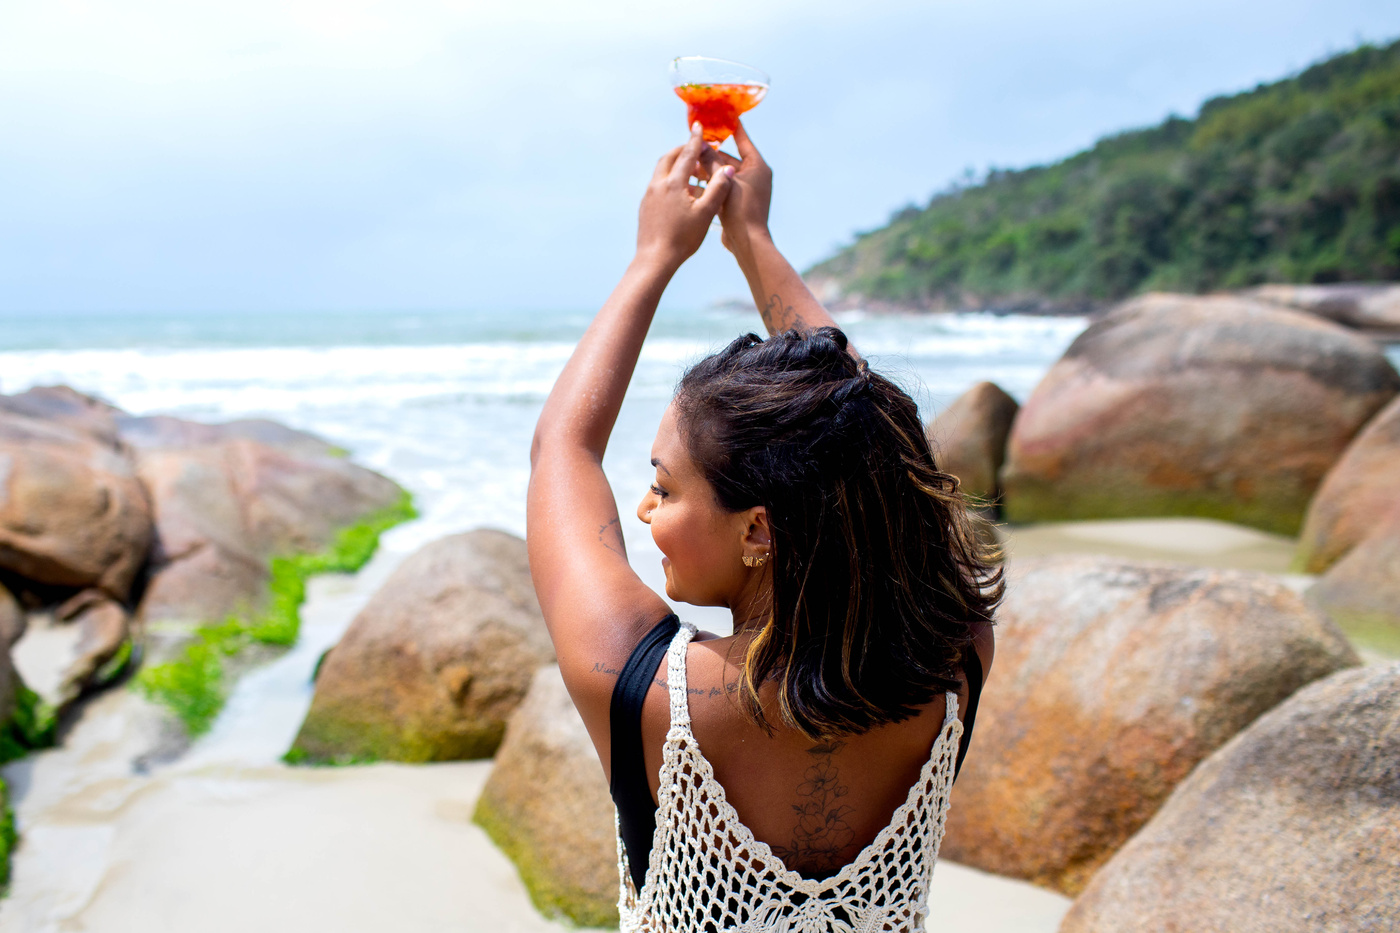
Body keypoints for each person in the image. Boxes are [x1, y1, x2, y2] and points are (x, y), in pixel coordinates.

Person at [527, 119, 1001, 932]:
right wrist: (754, 241)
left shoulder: (643, 691)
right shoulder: (955, 662)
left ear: (757, 530)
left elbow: (561, 451)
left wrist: (654, 256)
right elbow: (870, 441)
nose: (645, 508)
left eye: (664, 487)